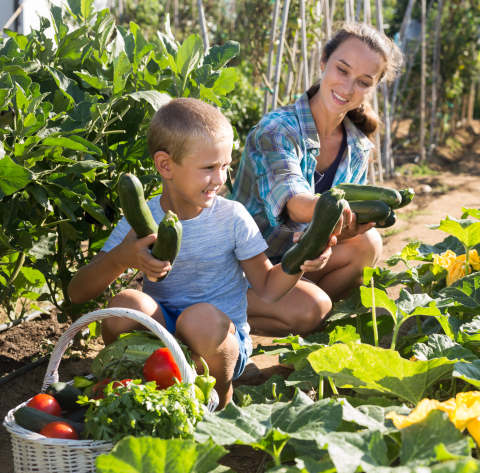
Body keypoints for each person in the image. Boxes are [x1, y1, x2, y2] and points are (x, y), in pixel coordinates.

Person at [67, 98, 333, 407]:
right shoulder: (142, 218)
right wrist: (122, 257)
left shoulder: (232, 217)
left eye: (225, 166)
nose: (220, 179)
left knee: (199, 320)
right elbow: (77, 293)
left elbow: (268, 287)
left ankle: (221, 399)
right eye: (209, 168)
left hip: (219, 341)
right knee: (126, 305)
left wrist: (302, 259)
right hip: (162, 337)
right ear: (165, 165)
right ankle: (145, 386)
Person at [230, 22, 403, 336]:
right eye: (342, 70)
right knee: (313, 308)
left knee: (368, 243)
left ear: (373, 87)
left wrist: (339, 232)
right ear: (323, 63)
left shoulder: (358, 146)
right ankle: (204, 314)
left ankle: (308, 324)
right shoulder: (278, 129)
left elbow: (325, 231)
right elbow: (295, 205)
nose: (348, 88)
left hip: (293, 260)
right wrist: (331, 215)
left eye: (364, 81)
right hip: (242, 267)